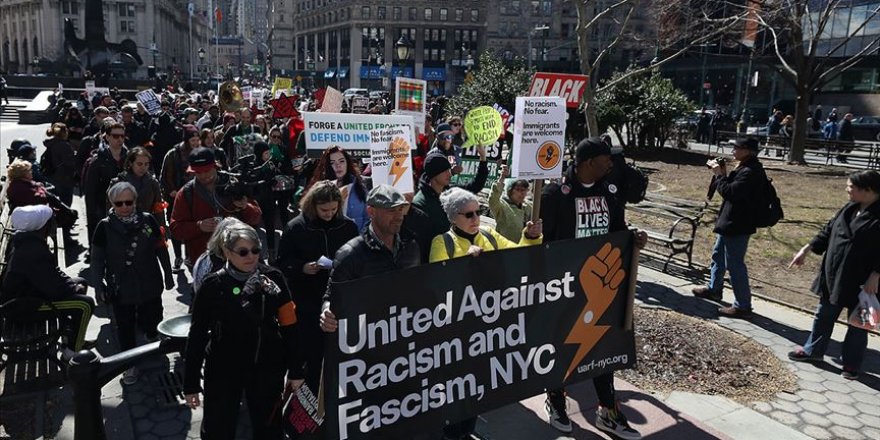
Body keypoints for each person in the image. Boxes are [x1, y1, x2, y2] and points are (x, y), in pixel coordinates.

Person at [540, 137, 646, 439]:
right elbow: (545, 245)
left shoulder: (609, 193)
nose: (611, 164)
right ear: (588, 163)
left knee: (603, 349)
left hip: (602, 289)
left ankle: (608, 411)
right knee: (563, 348)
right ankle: (557, 402)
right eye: (605, 160)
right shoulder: (555, 195)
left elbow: (617, 230)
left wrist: (633, 239)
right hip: (564, 289)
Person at [428, 186, 541, 440]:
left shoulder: (489, 236)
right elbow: (438, 283)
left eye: (478, 212)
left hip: (488, 329)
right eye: (468, 215)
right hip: (455, 332)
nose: (476, 218)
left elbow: (519, 255)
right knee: (455, 384)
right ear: (453, 217)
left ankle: (467, 430)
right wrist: (463, 265)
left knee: (477, 383)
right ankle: (451, 432)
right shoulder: (442, 242)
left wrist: (531, 236)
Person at [183, 221, 304, 440]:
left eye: (255, 250)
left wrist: (295, 370)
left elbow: (290, 326)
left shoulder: (274, 278)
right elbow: (198, 334)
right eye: (243, 252)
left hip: (266, 365)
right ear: (227, 252)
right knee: (219, 427)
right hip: (223, 368)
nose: (251, 256)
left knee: (269, 427)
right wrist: (191, 383)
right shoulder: (213, 285)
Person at [787, 170, 880, 380]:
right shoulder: (849, 208)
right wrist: (807, 249)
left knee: (859, 324)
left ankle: (851, 365)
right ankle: (813, 351)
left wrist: (877, 274)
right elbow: (828, 230)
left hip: (865, 281)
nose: (847, 190)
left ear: (868, 191)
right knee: (824, 314)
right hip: (835, 274)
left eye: (851, 187)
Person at [276, 180, 358, 392]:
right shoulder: (296, 227)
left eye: (333, 209)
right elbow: (282, 262)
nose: (329, 214)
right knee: (313, 353)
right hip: (308, 301)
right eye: (324, 210)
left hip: (339, 299)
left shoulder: (347, 226)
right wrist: (302, 267)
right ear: (313, 205)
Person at [90, 182, 174, 384]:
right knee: (125, 325)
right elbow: (97, 259)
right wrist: (98, 286)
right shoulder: (104, 227)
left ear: (135, 201)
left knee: (153, 314)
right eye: (119, 203)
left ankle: (153, 341)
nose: (125, 207)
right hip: (121, 285)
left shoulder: (148, 221)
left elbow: (161, 248)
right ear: (112, 203)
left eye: (129, 202)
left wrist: (168, 273)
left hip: (149, 280)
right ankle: (129, 365)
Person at [320, 185, 420, 333]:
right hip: (368, 340)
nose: (399, 216)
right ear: (371, 211)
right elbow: (332, 297)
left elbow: (419, 288)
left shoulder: (411, 247)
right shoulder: (350, 254)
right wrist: (327, 313)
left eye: (401, 209)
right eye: (391, 210)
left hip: (405, 335)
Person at [0, 205, 95, 355]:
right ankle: (72, 353)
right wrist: (73, 289)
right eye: (51, 222)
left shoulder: (29, 242)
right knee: (85, 304)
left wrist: (73, 285)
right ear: (42, 227)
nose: (53, 225)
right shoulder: (33, 250)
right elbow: (53, 287)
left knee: (81, 281)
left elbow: (52, 274)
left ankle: (70, 338)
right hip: (22, 308)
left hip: (28, 297)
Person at [692, 138, 767, 318]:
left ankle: (743, 305)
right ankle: (714, 289)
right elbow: (730, 188)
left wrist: (719, 175)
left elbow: (730, 192)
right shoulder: (744, 167)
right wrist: (723, 172)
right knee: (718, 255)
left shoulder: (751, 171)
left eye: (736, 147)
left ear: (748, 151)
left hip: (739, 225)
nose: (732, 150)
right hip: (730, 222)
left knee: (735, 265)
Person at [169, 147, 262, 272]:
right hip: (203, 262)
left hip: (239, 260)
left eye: (207, 170)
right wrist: (199, 226)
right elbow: (175, 229)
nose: (203, 176)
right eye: (198, 172)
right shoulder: (186, 193)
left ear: (216, 166)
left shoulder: (234, 185)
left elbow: (256, 217)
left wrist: (245, 207)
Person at [412, 150, 489, 259]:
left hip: (456, 255)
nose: (449, 174)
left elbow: (475, 186)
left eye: (449, 169)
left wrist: (483, 159)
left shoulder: (451, 192)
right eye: (444, 171)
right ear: (434, 174)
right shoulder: (419, 204)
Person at [161, 124, 201, 271]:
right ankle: (178, 257)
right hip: (177, 197)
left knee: (193, 228)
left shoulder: (200, 153)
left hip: (196, 196)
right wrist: (171, 190)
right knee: (178, 228)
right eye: (193, 140)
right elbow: (165, 176)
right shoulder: (173, 154)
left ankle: (191, 256)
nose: (196, 143)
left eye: (198, 139)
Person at [84, 122, 129, 245]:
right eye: (115, 136)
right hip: (103, 208)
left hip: (127, 208)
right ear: (107, 137)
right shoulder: (97, 161)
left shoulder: (130, 158)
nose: (119, 139)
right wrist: (93, 213)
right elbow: (90, 191)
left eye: (122, 136)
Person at [308, 145, 370, 231]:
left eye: (341, 161)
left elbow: (368, 217)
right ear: (327, 166)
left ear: (347, 163)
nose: (338, 166)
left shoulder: (359, 186)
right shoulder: (318, 188)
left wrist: (361, 238)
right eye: (332, 162)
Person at [112, 147, 166, 228]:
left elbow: (158, 210)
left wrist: (162, 229)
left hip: (146, 227)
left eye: (146, 164)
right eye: (139, 164)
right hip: (123, 228)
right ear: (131, 163)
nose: (143, 167)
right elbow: (111, 211)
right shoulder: (118, 182)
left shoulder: (152, 183)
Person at [487, 164, 532, 242]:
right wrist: (502, 177)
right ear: (509, 191)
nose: (522, 193)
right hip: (506, 250)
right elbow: (493, 199)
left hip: (525, 248)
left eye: (524, 190)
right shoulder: (502, 207)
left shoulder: (528, 206)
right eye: (518, 190)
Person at [43, 123, 77, 207]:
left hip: (52, 176)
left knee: (54, 203)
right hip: (65, 178)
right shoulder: (64, 146)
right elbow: (70, 163)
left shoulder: (50, 144)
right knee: (66, 204)